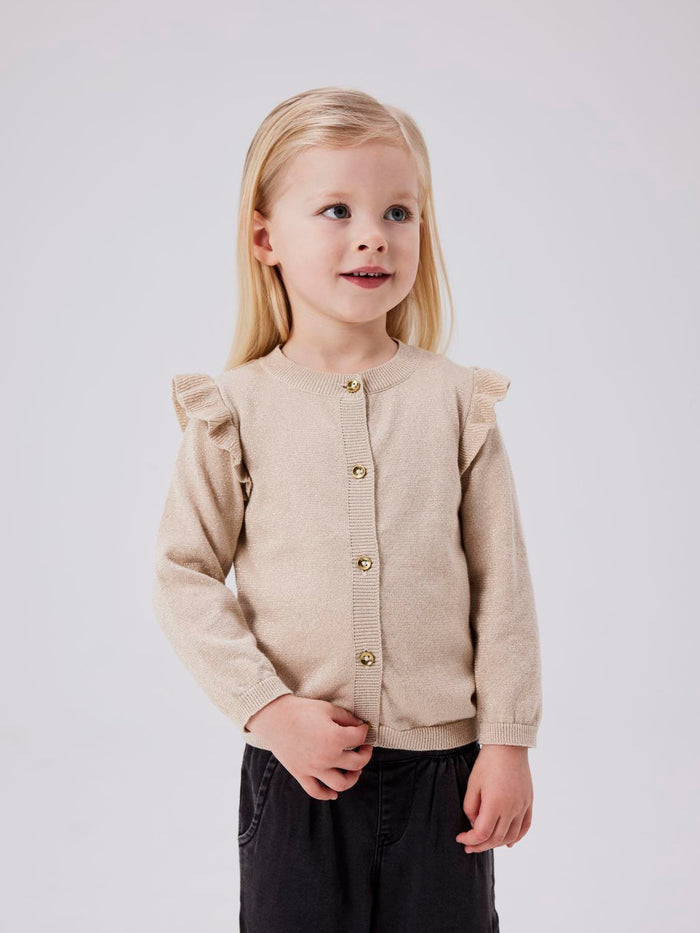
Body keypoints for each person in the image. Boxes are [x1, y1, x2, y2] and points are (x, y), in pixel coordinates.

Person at [153, 86, 543, 932]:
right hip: (298, 772)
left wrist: (507, 740)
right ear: (265, 238)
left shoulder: (457, 402)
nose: (374, 235)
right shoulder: (234, 409)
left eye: (399, 212)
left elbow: (502, 586)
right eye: (338, 210)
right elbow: (183, 575)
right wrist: (269, 708)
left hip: (445, 775)